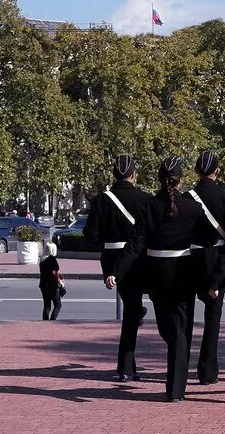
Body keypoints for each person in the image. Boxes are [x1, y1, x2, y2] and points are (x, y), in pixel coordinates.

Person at [111, 156, 206, 402]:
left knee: (173, 331)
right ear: (180, 179)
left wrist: (116, 271)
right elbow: (207, 241)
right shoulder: (191, 208)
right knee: (176, 331)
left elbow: (135, 245)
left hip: (157, 274)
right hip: (184, 273)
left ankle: (175, 389)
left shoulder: (150, 206)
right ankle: (176, 384)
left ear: (158, 178)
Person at [83, 154, 151, 382]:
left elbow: (90, 235)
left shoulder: (101, 200)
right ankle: (126, 367)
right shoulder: (144, 198)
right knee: (132, 311)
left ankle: (127, 366)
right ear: (133, 175)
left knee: (132, 309)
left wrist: (109, 236)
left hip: (112, 258)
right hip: (138, 258)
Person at [185, 151, 225, 385]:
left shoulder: (186, 197)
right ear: (217, 172)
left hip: (191, 260)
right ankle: (207, 371)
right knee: (213, 319)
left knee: (185, 318)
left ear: (197, 171)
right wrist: (223, 267)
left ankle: (179, 366)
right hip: (217, 260)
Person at [38, 242, 64, 320]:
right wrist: (60, 282)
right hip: (52, 285)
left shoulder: (42, 259)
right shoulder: (52, 259)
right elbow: (54, 273)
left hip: (43, 284)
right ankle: (52, 320)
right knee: (58, 305)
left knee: (47, 305)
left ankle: (45, 321)